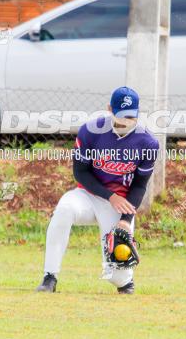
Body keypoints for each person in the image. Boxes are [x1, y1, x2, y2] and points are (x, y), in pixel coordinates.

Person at [36, 86, 159, 295]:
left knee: (121, 281)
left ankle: (125, 280)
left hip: (120, 204)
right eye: (121, 115)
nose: (126, 121)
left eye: (131, 116)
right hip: (88, 195)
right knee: (64, 209)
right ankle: (50, 277)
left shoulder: (148, 143)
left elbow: (139, 185)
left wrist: (125, 221)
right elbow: (81, 173)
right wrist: (110, 196)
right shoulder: (91, 131)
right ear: (110, 109)